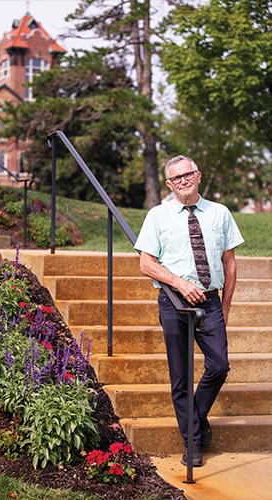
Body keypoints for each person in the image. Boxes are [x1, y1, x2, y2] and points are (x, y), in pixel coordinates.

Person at [134, 155, 244, 467]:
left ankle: (195, 418)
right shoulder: (158, 215)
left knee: (219, 366)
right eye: (175, 178)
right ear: (169, 184)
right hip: (174, 301)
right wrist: (180, 284)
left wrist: (225, 304)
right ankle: (192, 442)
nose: (182, 181)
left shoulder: (219, 213)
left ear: (198, 176)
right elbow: (146, 263)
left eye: (187, 175)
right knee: (180, 376)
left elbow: (230, 263)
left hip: (210, 302)